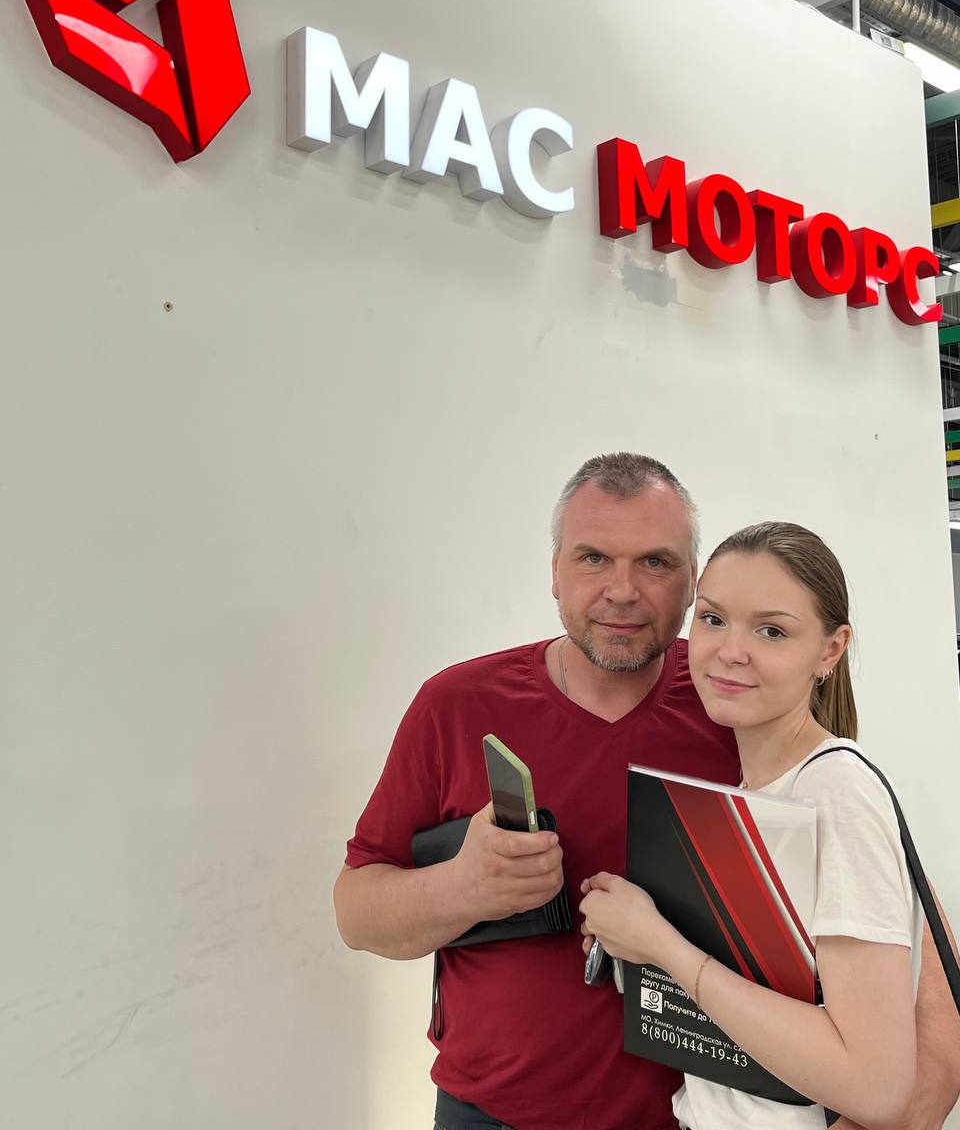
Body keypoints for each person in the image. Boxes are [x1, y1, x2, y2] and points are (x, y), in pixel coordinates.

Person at [333, 454, 960, 1130]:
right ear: (554, 570)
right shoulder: (455, 705)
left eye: (655, 563)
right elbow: (356, 913)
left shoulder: (741, 707)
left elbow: (914, 945)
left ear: (692, 582)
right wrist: (462, 888)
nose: (622, 590)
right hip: (486, 1114)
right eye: (593, 558)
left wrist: (898, 1114)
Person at [578, 521, 944, 1129]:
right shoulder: (755, 792)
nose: (730, 650)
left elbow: (877, 1086)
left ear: (830, 650)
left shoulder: (836, 791)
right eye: (713, 618)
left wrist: (663, 947)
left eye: (771, 630)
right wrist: (633, 945)